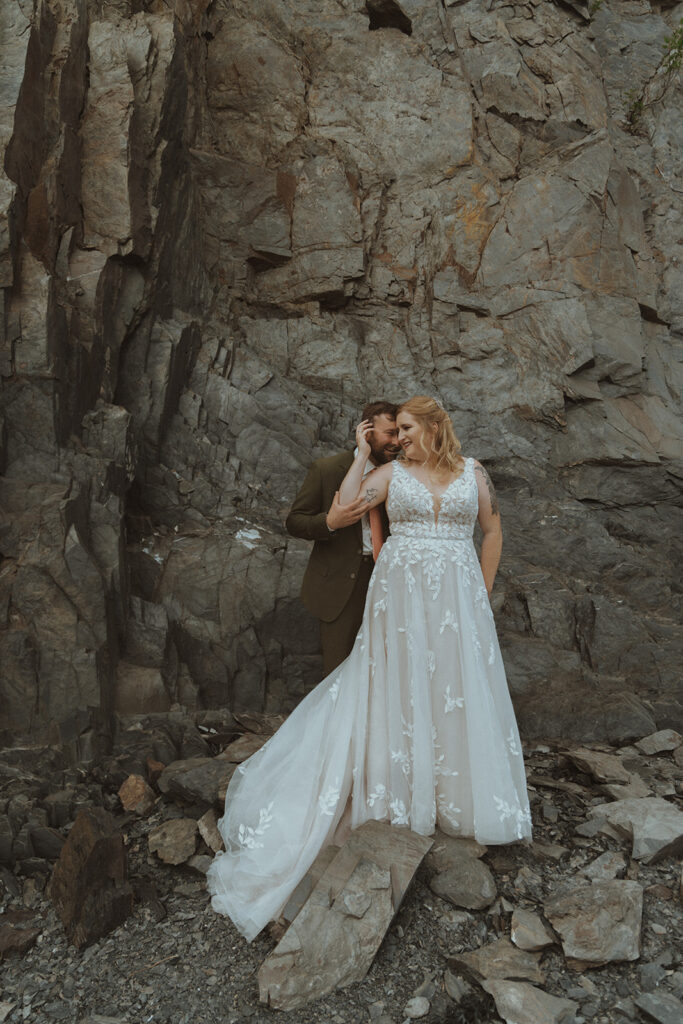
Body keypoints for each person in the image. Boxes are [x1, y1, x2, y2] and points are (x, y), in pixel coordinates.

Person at [206, 396, 532, 942]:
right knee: (397, 688)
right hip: (400, 597)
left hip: (458, 598)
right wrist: (361, 453)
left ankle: (457, 796)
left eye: (406, 427)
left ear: (433, 426)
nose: (399, 436)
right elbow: (348, 504)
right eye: (393, 429)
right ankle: (398, 792)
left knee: (456, 687)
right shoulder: (387, 474)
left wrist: (483, 588)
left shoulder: (473, 472)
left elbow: (493, 531)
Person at [285, 400, 400, 676]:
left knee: (386, 668)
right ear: (366, 431)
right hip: (338, 585)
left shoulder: (403, 473)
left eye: (400, 433)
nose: (397, 441)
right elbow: (295, 521)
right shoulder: (326, 470)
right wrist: (329, 523)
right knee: (338, 671)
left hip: (389, 581)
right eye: (389, 433)